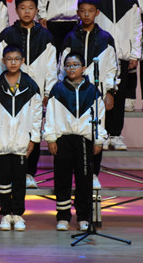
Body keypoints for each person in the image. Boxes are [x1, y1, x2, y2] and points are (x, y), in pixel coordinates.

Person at [0, 0, 57, 188]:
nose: (27, 12)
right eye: (22, 8)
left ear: (37, 10)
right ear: (16, 10)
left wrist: (48, 91)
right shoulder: (7, 35)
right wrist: (1, 90)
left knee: (33, 132)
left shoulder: (46, 36)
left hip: (35, 95)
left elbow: (51, 66)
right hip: (10, 93)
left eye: (31, 8)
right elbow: (0, 65)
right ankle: (10, 173)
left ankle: (29, 173)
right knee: (11, 132)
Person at [58, 0, 119, 189]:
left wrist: (110, 92)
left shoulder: (105, 39)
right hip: (71, 94)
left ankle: (93, 174)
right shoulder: (70, 37)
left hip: (95, 95)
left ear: (97, 13)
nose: (86, 15)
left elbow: (112, 68)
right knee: (74, 134)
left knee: (95, 133)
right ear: (77, 12)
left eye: (90, 11)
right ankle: (75, 174)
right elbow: (62, 66)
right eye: (83, 11)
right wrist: (62, 90)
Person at [44, 52, 107, 232]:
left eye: (75, 65)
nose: (71, 68)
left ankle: (83, 217)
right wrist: (51, 138)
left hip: (84, 140)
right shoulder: (58, 90)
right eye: (68, 65)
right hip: (63, 140)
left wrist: (98, 140)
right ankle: (63, 217)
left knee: (84, 179)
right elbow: (50, 116)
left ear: (84, 68)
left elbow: (100, 117)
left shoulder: (92, 91)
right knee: (62, 179)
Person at [0, 45, 42, 231]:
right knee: (3, 180)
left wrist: (33, 139)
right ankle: (5, 214)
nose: (13, 63)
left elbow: (36, 115)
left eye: (17, 59)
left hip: (22, 142)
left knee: (19, 181)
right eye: (9, 59)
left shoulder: (31, 86)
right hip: (2, 141)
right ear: (3, 61)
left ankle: (17, 214)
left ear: (23, 61)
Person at [92, 0, 142, 152]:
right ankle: (101, 133)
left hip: (121, 55)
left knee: (118, 97)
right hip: (100, 56)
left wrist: (135, 54)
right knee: (99, 95)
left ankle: (115, 134)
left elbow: (136, 27)